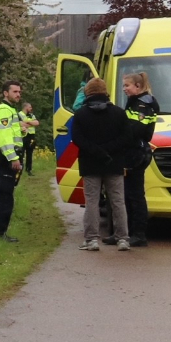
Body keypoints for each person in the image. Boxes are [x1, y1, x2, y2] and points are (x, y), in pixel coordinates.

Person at [69, 77, 133, 251]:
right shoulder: (119, 113)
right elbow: (126, 137)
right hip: (114, 162)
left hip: (90, 163)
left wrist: (97, 151)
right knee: (118, 201)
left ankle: (91, 239)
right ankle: (123, 238)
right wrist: (108, 150)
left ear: (88, 93)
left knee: (91, 201)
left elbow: (77, 138)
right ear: (105, 92)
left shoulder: (81, 114)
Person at [121, 72, 160, 248]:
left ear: (137, 86)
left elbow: (136, 130)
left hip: (136, 154)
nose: (124, 89)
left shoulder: (143, 104)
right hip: (133, 151)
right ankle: (129, 232)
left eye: (126, 86)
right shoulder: (137, 102)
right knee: (129, 195)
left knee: (135, 196)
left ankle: (138, 234)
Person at [0, 81, 23, 242]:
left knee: (6, 195)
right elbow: (4, 137)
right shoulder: (3, 110)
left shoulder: (10, 110)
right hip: (6, 158)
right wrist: (13, 158)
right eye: (15, 91)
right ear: (5, 93)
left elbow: (10, 133)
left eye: (19, 92)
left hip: (7, 157)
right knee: (5, 197)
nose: (18, 94)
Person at [18, 102, 40, 175]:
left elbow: (37, 123)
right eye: (30, 107)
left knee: (30, 153)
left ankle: (29, 170)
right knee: (21, 153)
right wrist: (31, 124)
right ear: (25, 107)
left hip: (31, 137)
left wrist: (28, 122)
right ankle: (19, 170)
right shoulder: (19, 114)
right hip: (23, 136)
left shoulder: (31, 115)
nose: (31, 109)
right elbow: (20, 124)